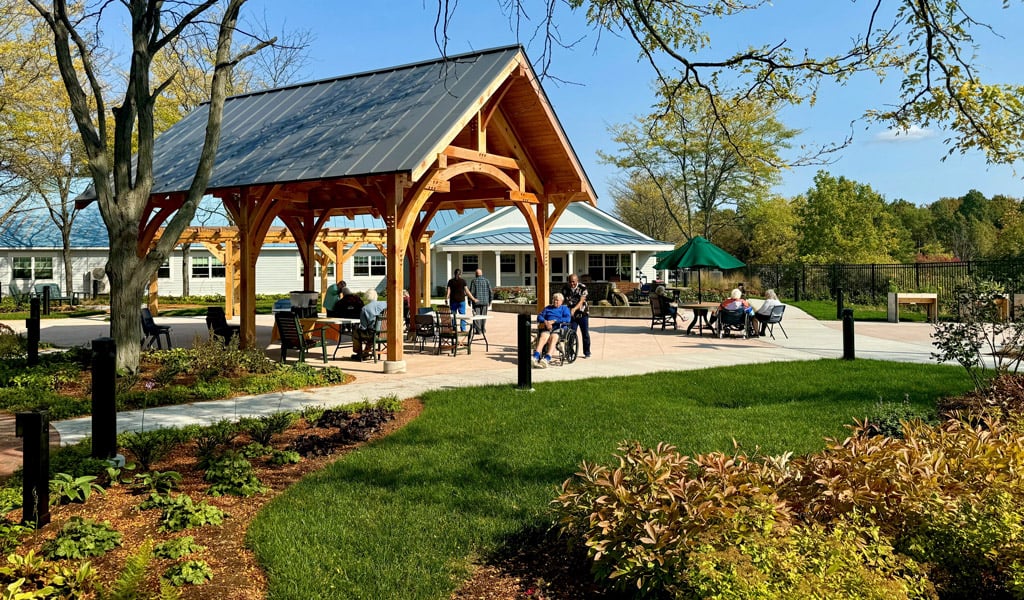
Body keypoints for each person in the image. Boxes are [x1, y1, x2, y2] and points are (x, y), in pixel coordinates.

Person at [533, 292, 571, 368]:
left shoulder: (564, 308)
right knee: (543, 337)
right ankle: (535, 357)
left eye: (557, 300)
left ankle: (547, 359)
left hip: (559, 329)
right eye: (553, 299)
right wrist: (546, 322)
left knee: (553, 338)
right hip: (548, 327)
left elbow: (567, 319)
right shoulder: (548, 308)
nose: (555, 301)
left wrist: (555, 321)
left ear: (561, 301)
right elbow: (539, 316)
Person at [561, 274, 591, 358]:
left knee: (585, 333)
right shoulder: (565, 289)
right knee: (570, 333)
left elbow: (582, 301)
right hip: (571, 315)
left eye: (573, 281)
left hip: (582, 313)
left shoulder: (582, 287)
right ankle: (570, 352)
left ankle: (587, 352)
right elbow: (563, 301)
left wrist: (574, 309)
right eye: (570, 282)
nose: (572, 283)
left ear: (577, 280)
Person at [351, 289, 386, 360]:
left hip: (373, 334)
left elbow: (363, 327)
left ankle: (359, 353)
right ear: (376, 296)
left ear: (367, 297)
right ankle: (366, 352)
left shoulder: (365, 309)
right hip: (386, 333)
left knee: (356, 331)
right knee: (371, 331)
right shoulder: (385, 304)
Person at [467, 269, 493, 334]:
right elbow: (490, 292)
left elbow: (471, 292)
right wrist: (490, 301)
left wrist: (469, 301)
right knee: (483, 316)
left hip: (476, 302)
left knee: (476, 316)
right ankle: (483, 329)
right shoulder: (487, 281)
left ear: (476, 274)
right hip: (485, 302)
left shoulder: (474, 281)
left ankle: (478, 330)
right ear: (481, 274)